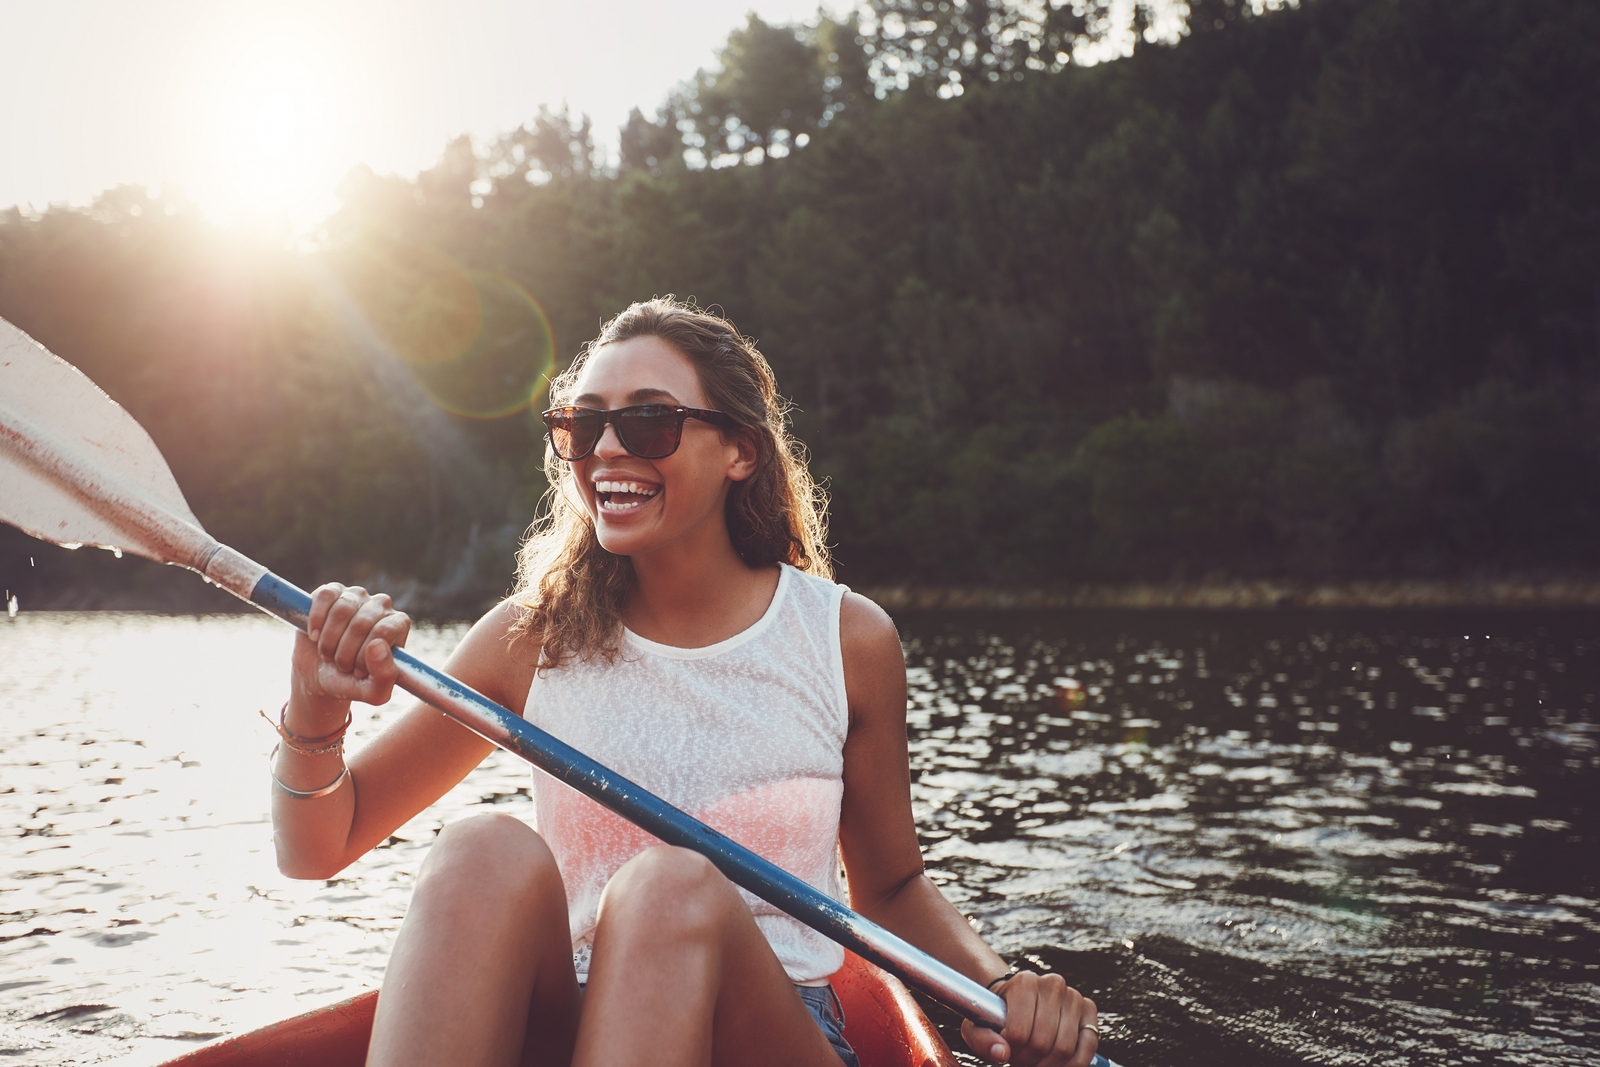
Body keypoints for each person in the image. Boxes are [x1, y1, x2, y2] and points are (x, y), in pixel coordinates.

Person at [268, 298, 1107, 1067]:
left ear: (740, 450)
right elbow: (317, 847)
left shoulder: (845, 638)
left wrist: (1005, 987)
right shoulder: (533, 637)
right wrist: (316, 707)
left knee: (673, 885)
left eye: (647, 421)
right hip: (576, 1030)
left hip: (777, 1032)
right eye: (584, 423)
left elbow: (888, 888)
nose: (605, 450)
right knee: (480, 846)